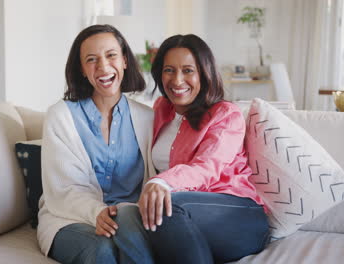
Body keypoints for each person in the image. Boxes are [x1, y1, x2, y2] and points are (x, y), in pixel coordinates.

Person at [138, 34, 270, 264]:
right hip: (187, 217)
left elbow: (207, 167)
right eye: (169, 70)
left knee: (168, 206)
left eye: (188, 70)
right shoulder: (160, 109)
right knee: (148, 213)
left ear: (204, 73)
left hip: (239, 215)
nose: (177, 80)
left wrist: (160, 182)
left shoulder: (226, 114)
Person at [37, 24, 156, 264]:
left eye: (111, 55)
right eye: (91, 59)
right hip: (70, 218)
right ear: (81, 69)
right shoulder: (60, 116)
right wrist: (97, 212)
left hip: (129, 220)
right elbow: (62, 190)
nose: (103, 66)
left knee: (131, 238)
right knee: (103, 251)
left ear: (124, 60)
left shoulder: (148, 118)